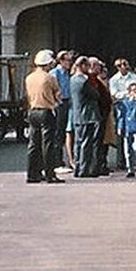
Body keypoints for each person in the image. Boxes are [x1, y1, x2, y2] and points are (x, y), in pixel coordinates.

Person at [24, 50, 63, 183]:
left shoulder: (29, 78)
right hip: (46, 110)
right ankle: (49, 174)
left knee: (33, 144)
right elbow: (58, 95)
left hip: (33, 111)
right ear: (47, 64)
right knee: (48, 144)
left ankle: (32, 174)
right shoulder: (49, 78)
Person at [70, 57, 105, 178]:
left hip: (77, 114)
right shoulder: (84, 81)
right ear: (82, 65)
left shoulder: (72, 79)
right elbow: (95, 94)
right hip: (87, 115)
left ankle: (77, 167)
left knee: (77, 143)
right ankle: (84, 169)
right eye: (87, 65)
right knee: (86, 143)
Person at [49, 49, 75, 173]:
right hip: (59, 103)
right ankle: (57, 161)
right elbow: (54, 89)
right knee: (58, 132)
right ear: (61, 61)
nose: (70, 63)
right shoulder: (56, 73)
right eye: (67, 60)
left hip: (67, 102)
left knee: (64, 132)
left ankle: (62, 160)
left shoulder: (67, 73)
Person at [117, 82, 136, 177]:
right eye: (133, 90)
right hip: (127, 127)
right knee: (127, 150)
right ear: (129, 92)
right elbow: (121, 115)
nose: (135, 92)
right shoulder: (124, 102)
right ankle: (130, 169)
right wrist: (120, 127)